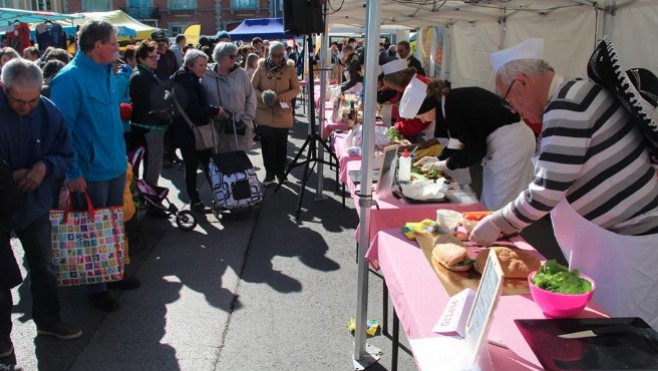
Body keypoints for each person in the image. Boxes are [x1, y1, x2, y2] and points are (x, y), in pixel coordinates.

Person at [471, 38, 658, 326]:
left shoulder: (567, 105)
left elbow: (546, 191)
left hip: (627, 244)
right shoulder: (578, 93)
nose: (514, 110)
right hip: (618, 240)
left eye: (509, 100)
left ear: (522, 82)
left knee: (630, 331)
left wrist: (496, 223)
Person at [0, 58, 81, 370]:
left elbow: (64, 152)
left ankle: (49, 320)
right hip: (1, 204)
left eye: (32, 100)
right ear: (5, 90)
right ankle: (2, 336)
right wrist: (11, 175)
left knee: (43, 265)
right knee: (1, 277)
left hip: (34, 203)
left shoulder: (47, 110)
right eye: (18, 101)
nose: (26, 108)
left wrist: (44, 166)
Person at [50, 20, 135, 312]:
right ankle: (97, 288)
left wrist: (121, 156)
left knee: (112, 225)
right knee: (93, 229)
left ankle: (113, 274)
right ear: (96, 46)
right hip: (90, 171)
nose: (117, 47)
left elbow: (111, 121)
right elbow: (63, 132)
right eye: (113, 42)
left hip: (113, 164)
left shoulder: (108, 73)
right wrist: (73, 174)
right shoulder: (68, 79)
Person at [399, 74, 535, 210]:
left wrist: (445, 164)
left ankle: (499, 229)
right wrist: (437, 158)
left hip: (512, 145)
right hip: (505, 143)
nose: (423, 120)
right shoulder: (450, 102)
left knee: (500, 200)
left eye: (421, 116)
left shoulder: (456, 105)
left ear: (430, 106)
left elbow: (475, 151)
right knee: (491, 195)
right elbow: (459, 142)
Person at [170, 49, 221, 212]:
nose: (204, 68)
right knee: (198, 166)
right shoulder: (187, 82)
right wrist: (215, 110)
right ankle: (200, 201)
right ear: (190, 65)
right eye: (201, 65)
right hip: (191, 132)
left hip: (188, 132)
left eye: (206, 65)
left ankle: (206, 199)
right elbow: (194, 109)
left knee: (198, 166)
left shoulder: (185, 78)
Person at [252, 41, 301, 186]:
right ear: (268, 53)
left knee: (281, 145)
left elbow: (296, 89)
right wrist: (264, 96)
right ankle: (269, 174)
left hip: (282, 112)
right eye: (274, 55)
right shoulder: (261, 67)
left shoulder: (289, 69)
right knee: (267, 145)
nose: (277, 58)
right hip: (264, 112)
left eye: (280, 55)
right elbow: (252, 87)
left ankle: (281, 173)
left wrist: (282, 97)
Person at [129, 40, 173, 186]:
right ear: (141, 58)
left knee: (152, 164)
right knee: (153, 164)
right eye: (152, 57)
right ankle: (150, 197)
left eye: (157, 57)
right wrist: (169, 95)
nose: (156, 60)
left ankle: (148, 195)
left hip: (149, 125)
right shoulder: (142, 76)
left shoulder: (146, 74)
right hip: (149, 127)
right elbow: (161, 102)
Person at [202, 42, 256, 153]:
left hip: (238, 126)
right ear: (220, 56)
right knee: (219, 163)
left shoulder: (241, 73)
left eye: (236, 56)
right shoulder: (206, 75)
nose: (234, 59)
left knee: (238, 162)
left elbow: (251, 97)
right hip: (216, 127)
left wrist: (246, 118)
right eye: (231, 56)